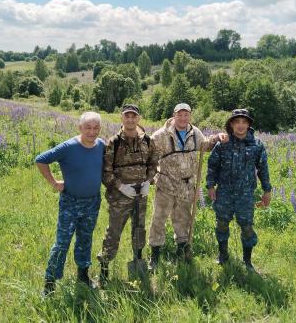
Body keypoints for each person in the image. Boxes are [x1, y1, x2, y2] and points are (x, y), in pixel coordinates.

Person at [148, 103, 227, 268]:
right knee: (159, 219)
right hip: (166, 185)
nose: (183, 118)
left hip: (186, 185)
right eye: (180, 115)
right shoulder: (161, 135)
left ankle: (182, 251)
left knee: (183, 219)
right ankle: (154, 256)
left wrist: (217, 137)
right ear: (174, 115)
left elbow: (204, 145)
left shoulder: (195, 132)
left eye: (186, 115)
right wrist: (152, 177)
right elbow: (149, 156)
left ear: (190, 116)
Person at [35, 111, 104, 295]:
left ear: (100, 128)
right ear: (79, 128)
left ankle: (83, 275)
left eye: (95, 127)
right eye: (87, 127)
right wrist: (53, 182)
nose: (91, 131)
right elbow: (41, 160)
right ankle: (49, 283)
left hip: (92, 202)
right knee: (62, 242)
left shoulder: (102, 146)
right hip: (70, 202)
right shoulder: (69, 147)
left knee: (85, 239)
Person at [97, 104, 158, 284]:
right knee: (113, 233)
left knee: (139, 231)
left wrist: (149, 181)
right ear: (121, 118)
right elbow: (106, 172)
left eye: (134, 116)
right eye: (127, 116)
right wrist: (121, 187)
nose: (130, 119)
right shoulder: (113, 142)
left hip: (141, 195)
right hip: (120, 198)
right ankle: (104, 272)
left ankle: (138, 263)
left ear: (139, 118)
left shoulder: (148, 140)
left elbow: (154, 164)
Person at [206, 108, 272, 272]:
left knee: (247, 227)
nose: (240, 125)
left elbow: (263, 168)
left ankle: (247, 261)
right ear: (232, 124)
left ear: (248, 124)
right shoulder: (223, 144)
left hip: (246, 194)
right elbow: (212, 165)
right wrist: (210, 185)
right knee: (221, 224)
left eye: (244, 122)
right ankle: (223, 256)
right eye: (237, 122)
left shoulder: (257, 145)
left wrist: (267, 190)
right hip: (224, 193)